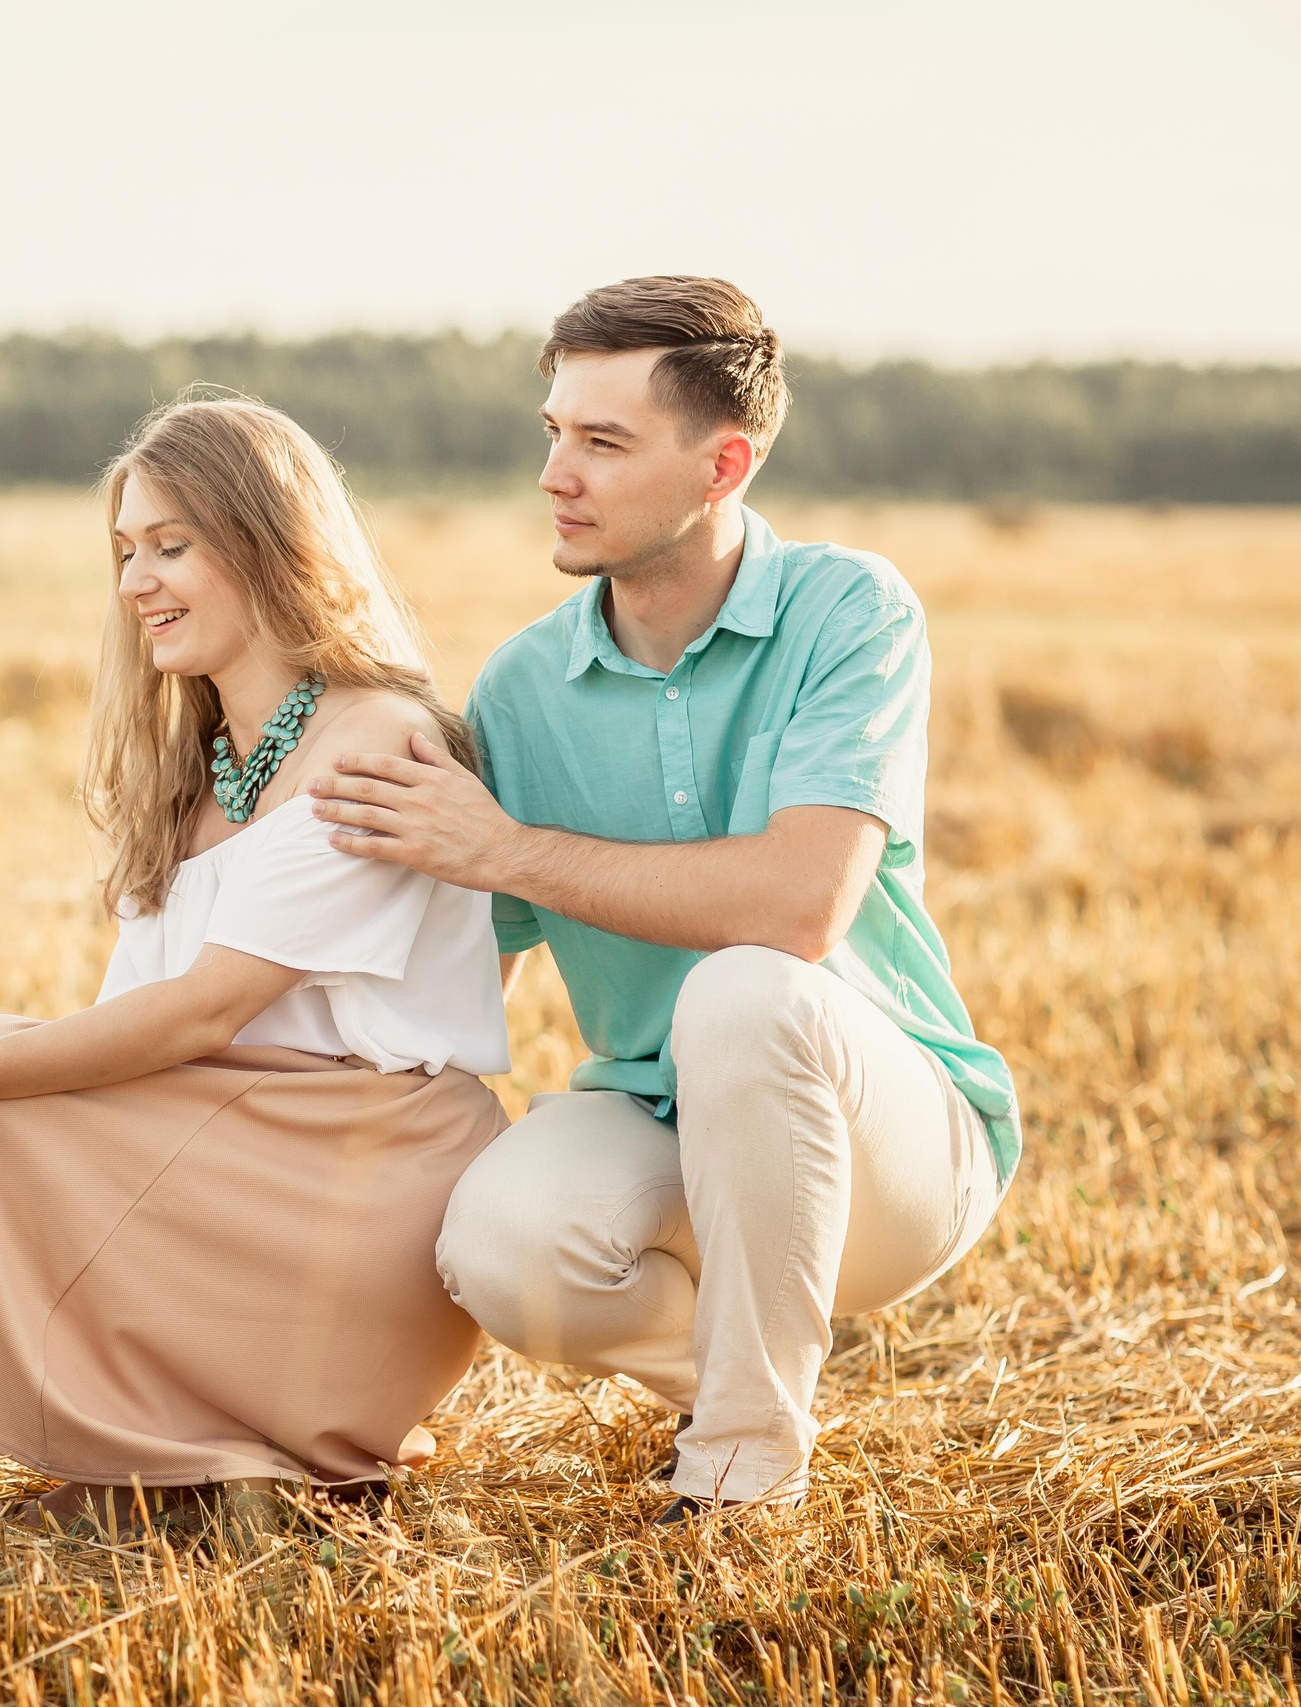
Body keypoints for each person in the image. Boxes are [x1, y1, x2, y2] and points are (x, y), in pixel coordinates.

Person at [306, 277, 1021, 1521]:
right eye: (552, 432)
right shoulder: (525, 683)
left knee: (747, 988)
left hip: (888, 1153)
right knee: (501, 1247)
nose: (555, 474)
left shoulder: (850, 609)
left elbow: (801, 906)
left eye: (602, 441)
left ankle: (741, 1483)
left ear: (722, 463)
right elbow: (463, 976)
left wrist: (510, 850)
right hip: (666, 1129)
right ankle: (757, 1382)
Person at [0, 396, 511, 1536]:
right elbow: (138, 1033)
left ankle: (212, 1446)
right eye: (124, 552)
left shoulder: (371, 743)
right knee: (1, 1098)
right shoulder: (204, 775)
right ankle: (179, 1471)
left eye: (171, 546)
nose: (134, 583)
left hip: (357, 1178)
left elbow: (195, 1020)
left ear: (272, 543)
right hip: (253, 1147)